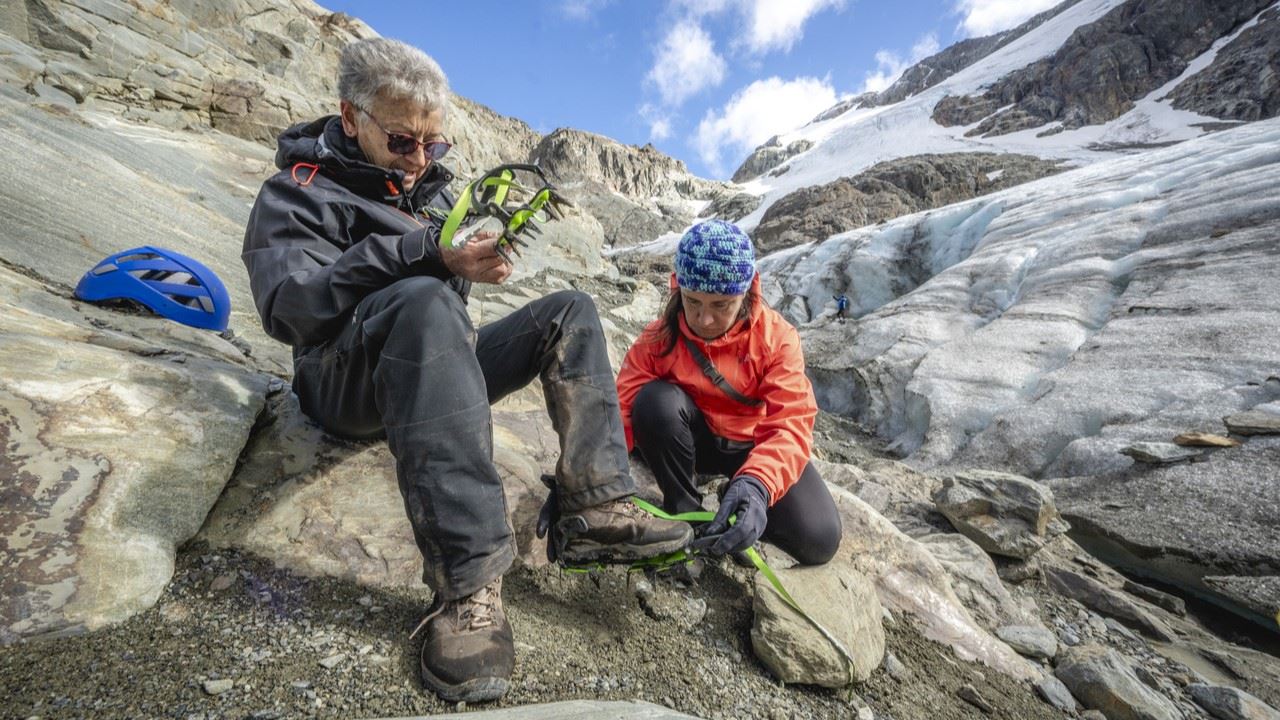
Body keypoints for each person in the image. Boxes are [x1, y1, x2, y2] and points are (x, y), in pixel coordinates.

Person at [241, 38, 692, 704]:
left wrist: (469, 265)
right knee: (422, 299)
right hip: (341, 383)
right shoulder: (297, 192)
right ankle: (468, 585)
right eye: (402, 142)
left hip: (428, 368)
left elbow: (440, 298)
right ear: (350, 116)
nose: (421, 160)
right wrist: (424, 255)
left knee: (570, 312)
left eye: (435, 146)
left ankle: (596, 505)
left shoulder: (429, 190)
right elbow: (290, 309)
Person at [616, 220, 842, 568]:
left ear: (749, 291)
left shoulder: (777, 340)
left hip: (753, 448)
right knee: (654, 403)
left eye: (722, 305)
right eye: (692, 302)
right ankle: (683, 511)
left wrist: (758, 484)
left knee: (820, 538)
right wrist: (589, 475)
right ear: (677, 287)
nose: (704, 319)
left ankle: (736, 498)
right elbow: (622, 408)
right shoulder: (659, 338)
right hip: (691, 443)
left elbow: (791, 424)